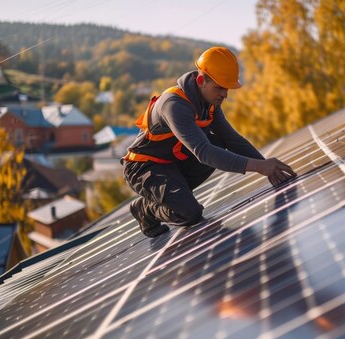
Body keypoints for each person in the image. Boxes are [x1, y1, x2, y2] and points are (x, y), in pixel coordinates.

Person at [122, 47, 296, 238]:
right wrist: (260, 167)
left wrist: (268, 168)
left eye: (227, 88)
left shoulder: (209, 103)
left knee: (219, 141)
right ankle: (146, 209)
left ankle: (176, 196)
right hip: (144, 168)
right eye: (219, 87)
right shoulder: (174, 104)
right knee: (190, 213)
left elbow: (232, 139)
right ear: (200, 80)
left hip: (173, 164)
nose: (225, 94)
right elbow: (203, 152)